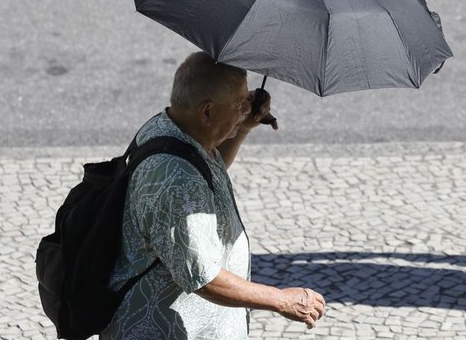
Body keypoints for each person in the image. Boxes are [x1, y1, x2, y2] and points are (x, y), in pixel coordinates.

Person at [102, 52, 325, 339]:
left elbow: (209, 173)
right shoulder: (176, 180)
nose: (248, 108)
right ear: (207, 112)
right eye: (240, 103)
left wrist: (241, 126)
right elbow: (203, 277)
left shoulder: (171, 128)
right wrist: (281, 300)